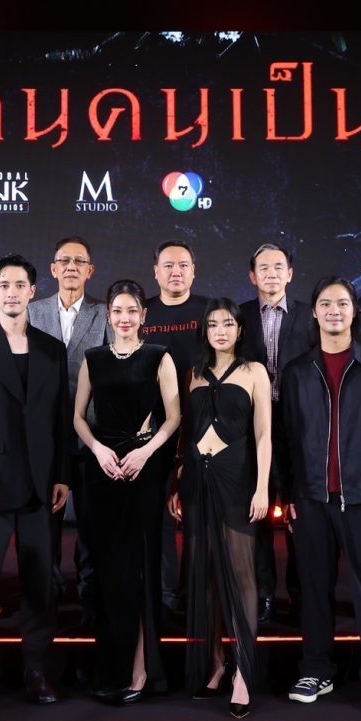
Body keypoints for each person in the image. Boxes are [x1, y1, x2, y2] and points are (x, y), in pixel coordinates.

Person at [281, 276, 361, 715]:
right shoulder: (298, 370)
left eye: (342, 304)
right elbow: (287, 438)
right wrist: (289, 491)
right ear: (314, 312)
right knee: (314, 588)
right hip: (311, 499)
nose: (334, 311)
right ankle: (316, 669)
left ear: (354, 312)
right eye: (325, 304)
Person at [0, 253, 71, 709]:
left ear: (32, 292)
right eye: (4, 285)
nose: (12, 293)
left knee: (40, 584)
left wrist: (62, 475)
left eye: (21, 285)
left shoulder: (51, 349)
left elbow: (60, 419)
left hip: (41, 485)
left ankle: (36, 672)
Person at [73, 279, 180, 704]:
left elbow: (173, 417)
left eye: (132, 311)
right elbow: (78, 417)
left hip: (143, 471)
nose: (124, 318)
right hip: (102, 471)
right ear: (108, 315)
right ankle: (110, 668)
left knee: (139, 569)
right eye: (117, 311)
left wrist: (145, 453)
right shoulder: (93, 358)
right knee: (108, 572)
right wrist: (98, 450)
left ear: (143, 315)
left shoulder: (159, 356)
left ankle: (140, 670)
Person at [169, 298, 271, 719]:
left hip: (238, 479)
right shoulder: (192, 374)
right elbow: (184, 432)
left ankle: (243, 671)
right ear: (205, 331)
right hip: (197, 478)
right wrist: (177, 480)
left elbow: (264, 435)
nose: (221, 331)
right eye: (213, 325)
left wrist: (262, 488)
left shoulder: (255, 371)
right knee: (205, 573)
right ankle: (214, 664)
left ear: (240, 329)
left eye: (228, 323)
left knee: (242, 574)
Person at [28, 236, 110, 619]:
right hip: (45, 439)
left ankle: (90, 596)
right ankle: (48, 596)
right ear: (53, 269)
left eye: (80, 261)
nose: (72, 267)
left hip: (91, 436)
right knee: (46, 524)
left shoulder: (105, 313)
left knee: (92, 526)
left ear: (90, 271)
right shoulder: (32, 312)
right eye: (65, 261)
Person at [239, 243, 313, 623]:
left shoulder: (309, 315)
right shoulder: (239, 317)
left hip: (299, 427)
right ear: (253, 276)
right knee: (259, 515)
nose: (271, 273)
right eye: (263, 268)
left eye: (278, 267)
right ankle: (264, 594)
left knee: (301, 513)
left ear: (290, 273)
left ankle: (301, 595)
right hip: (253, 426)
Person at [141, 239, 210, 613]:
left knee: (198, 516)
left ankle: (195, 593)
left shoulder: (208, 311)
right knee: (161, 518)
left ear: (194, 271)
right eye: (167, 265)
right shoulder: (143, 313)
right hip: (154, 431)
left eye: (183, 265)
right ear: (155, 272)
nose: (176, 271)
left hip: (202, 428)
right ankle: (166, 594)